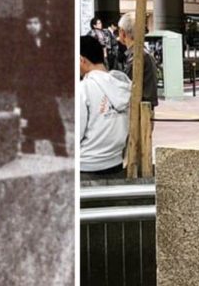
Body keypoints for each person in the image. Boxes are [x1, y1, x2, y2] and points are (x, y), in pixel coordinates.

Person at [78, 35, 130, 180]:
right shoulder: (122, 87)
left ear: (81, 60)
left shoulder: (84, 89)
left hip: (86, 166)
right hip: (115, 164)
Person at [16, 14, 66, 155]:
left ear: (41, 24)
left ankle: (61, 153)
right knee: (27, 124)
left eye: (35, 22)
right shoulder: (22, 45)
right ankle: (28, 154)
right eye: (29, 23)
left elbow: (55, 67)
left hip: (46, 91)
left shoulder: (48, 42)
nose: (32, 26)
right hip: (29, 92)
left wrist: (56, 90)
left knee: (55, 124)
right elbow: (20, 71)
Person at [117, 11, 159, 108]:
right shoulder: (141, 54)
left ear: (122, 33)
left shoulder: (138, 57)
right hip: (142, 110)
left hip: (137, 112)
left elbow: (126, 88)